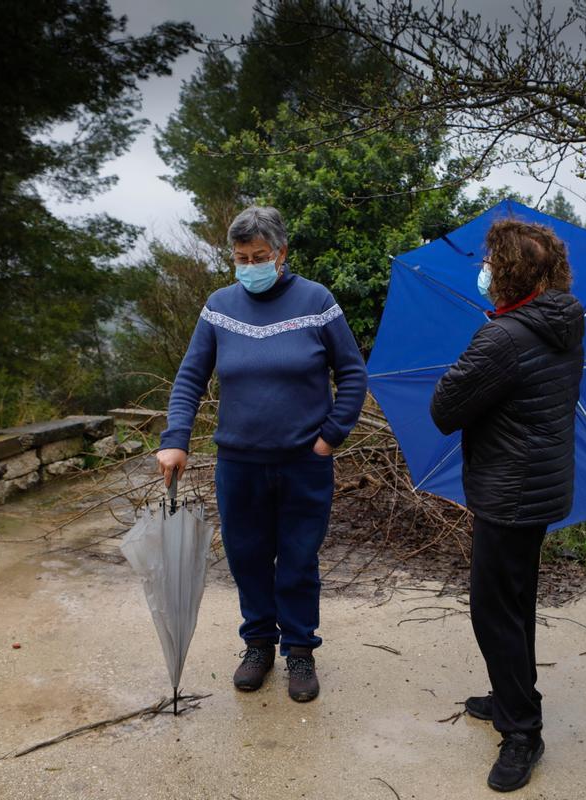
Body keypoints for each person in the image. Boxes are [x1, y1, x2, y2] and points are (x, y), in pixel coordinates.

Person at [155, 206, 367, 703]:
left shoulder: (317, 301)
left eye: (259, 255)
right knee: (247, 557)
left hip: (303, 463)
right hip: (239, 463)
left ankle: (299, 650)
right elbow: (190, 377)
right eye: (240, 256)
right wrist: (175, 438)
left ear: (282, 253)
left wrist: (330, 436)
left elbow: (353, 374)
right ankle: (258, 645)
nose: (249, 264)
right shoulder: (218, 306)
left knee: (296, 559)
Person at [430, 219, 584, 793]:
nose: (485, 269)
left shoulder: (503, 338)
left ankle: (522, 730)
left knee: (493, 610)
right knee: (516, 602)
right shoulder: (563, 321)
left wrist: (481, 346)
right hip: (538, 488)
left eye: (492, 260)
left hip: (508, 493)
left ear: (510, 271)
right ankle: (511, 695)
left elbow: (445, 408)